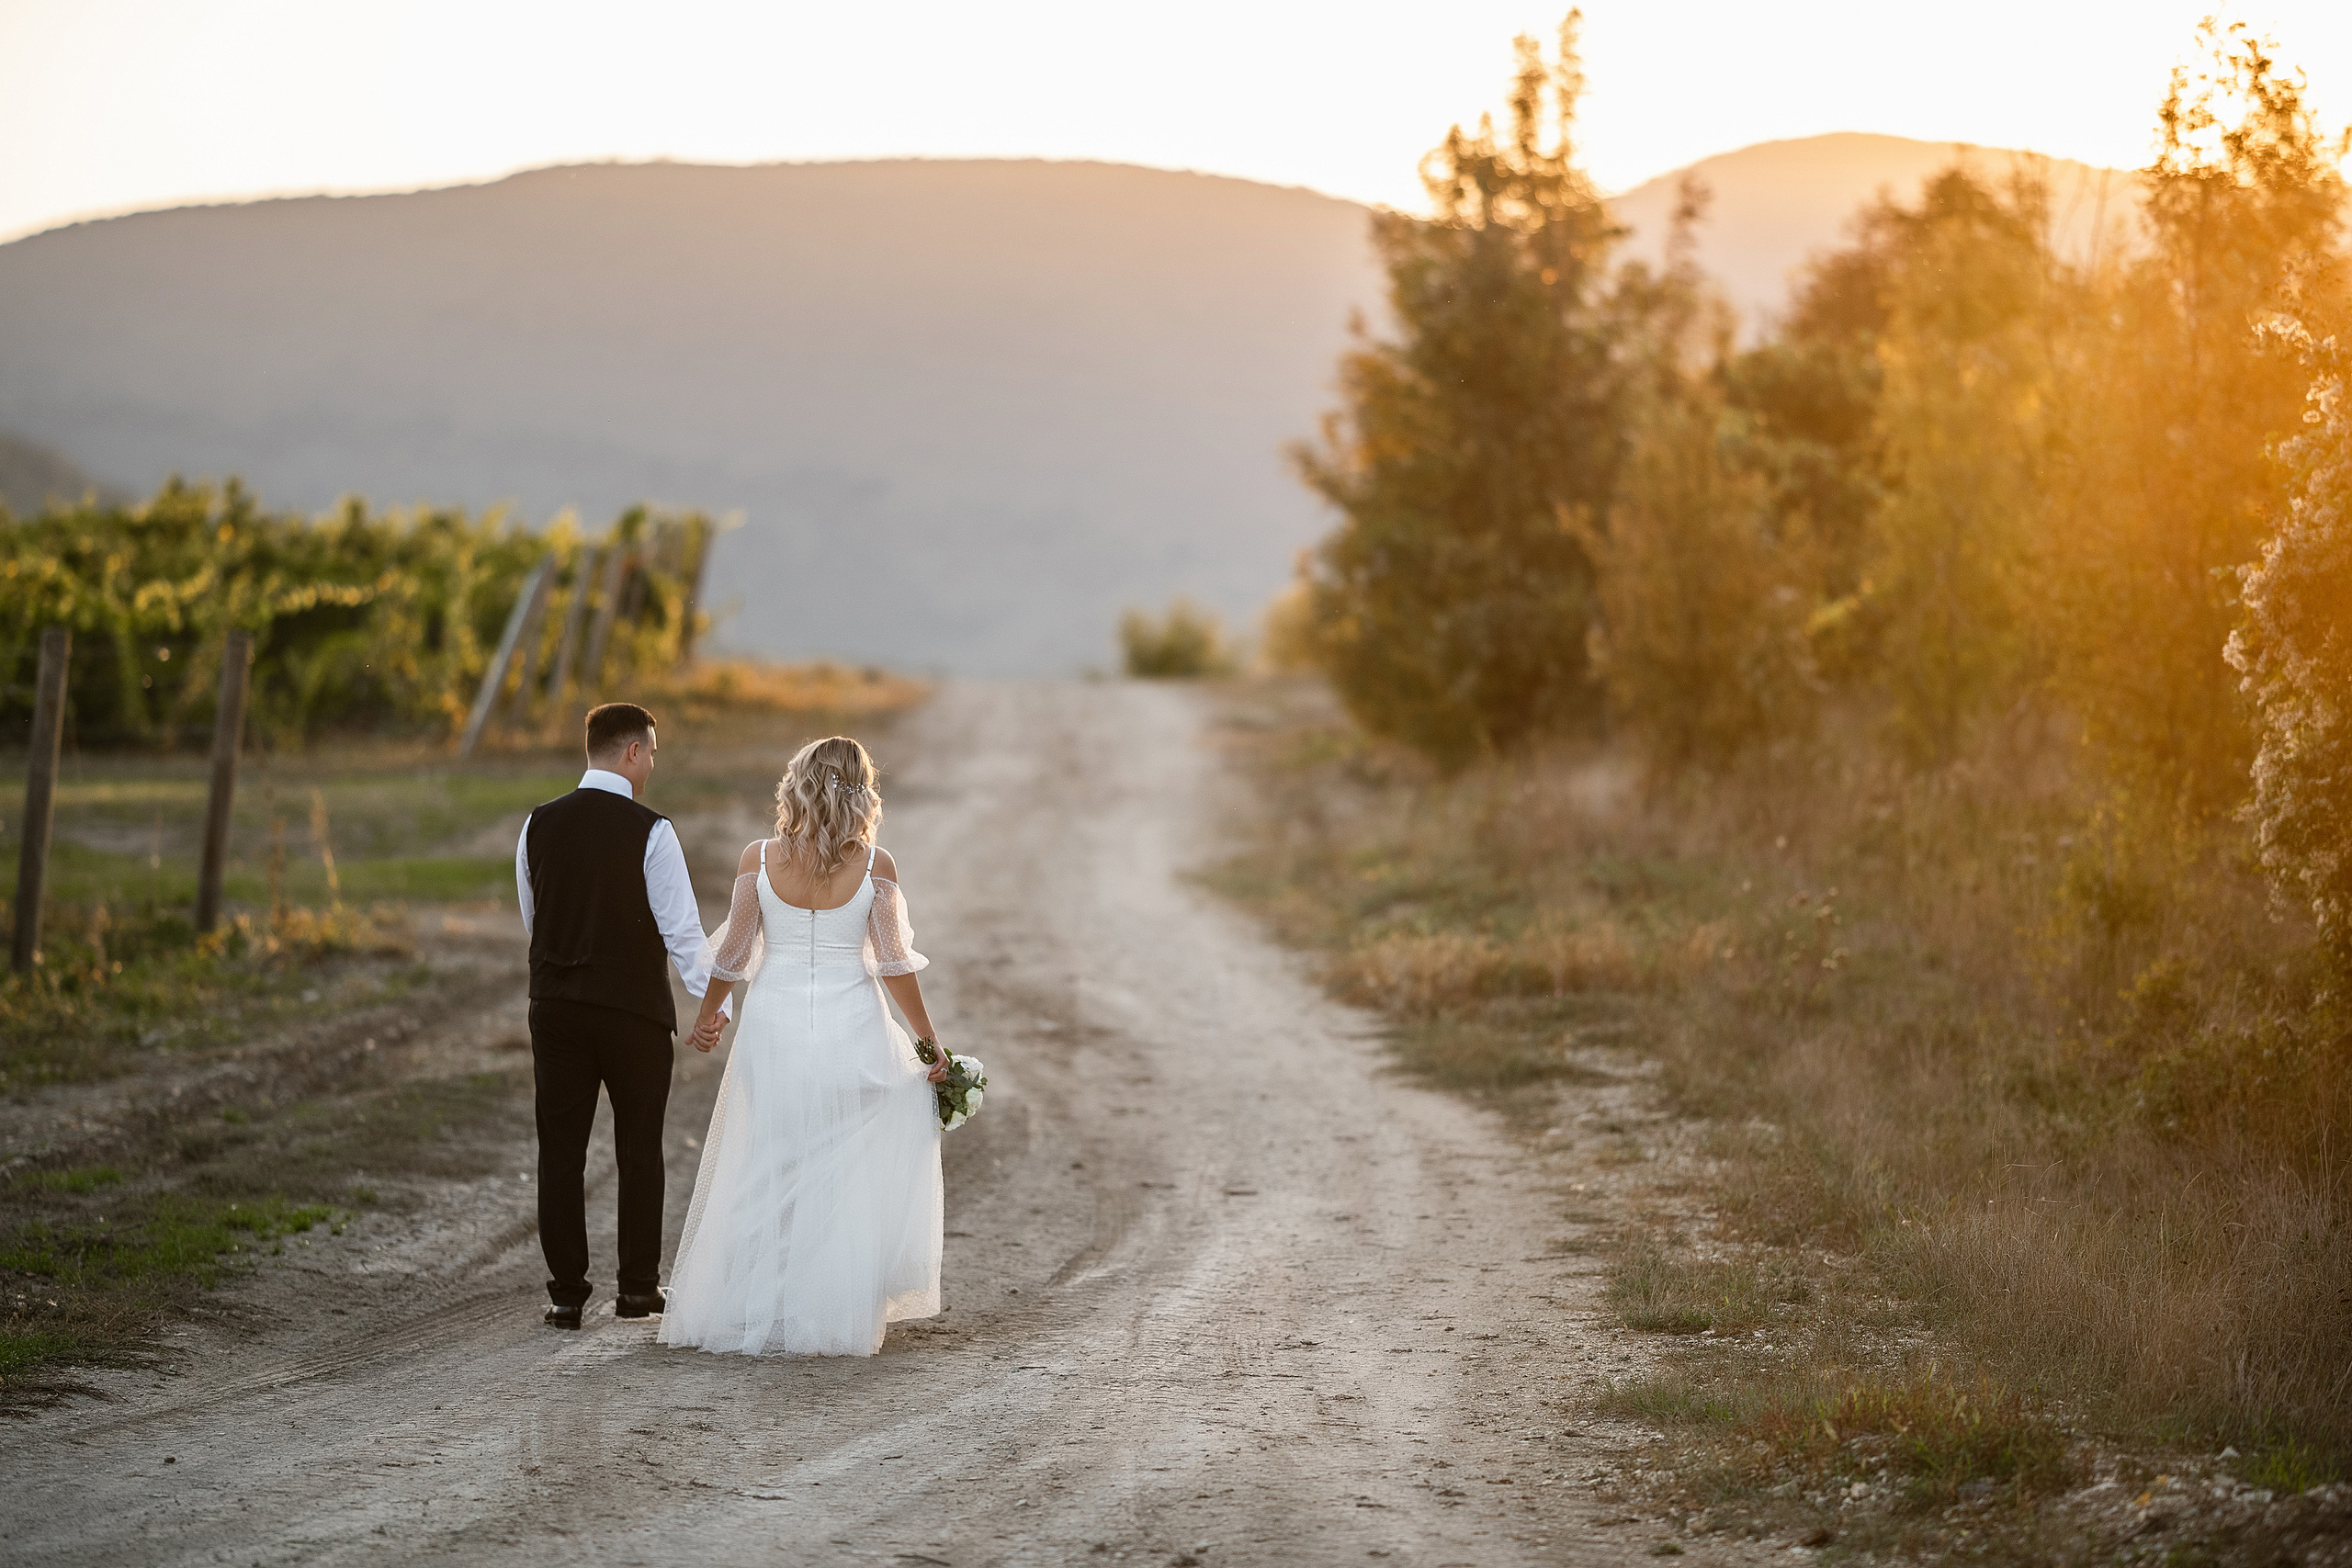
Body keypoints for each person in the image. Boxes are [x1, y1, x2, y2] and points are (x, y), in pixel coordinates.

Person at [660, 735, 948, 1357]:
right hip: (852, 1026)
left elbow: (734, 952)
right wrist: (929, 1043)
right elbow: (894, 964)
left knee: (771, 1158)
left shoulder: (759, 859)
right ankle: (829, 1308)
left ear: (797, 785)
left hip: (774, 1027)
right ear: (862, 792)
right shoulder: (876, 866)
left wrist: (709, 1016)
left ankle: (753, 1303)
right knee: (844, 1163)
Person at [514, 702, 726, 1329]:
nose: (653, 764)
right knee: (638, 1147)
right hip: (632, 1012)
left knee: (560, 1151)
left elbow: (535, 916)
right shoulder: (652, 831)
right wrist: (714, 1006)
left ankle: (565, 1296)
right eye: (652, 752)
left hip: (556, 1009)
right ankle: (636, 1288)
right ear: (632, 751)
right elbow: (683, 932)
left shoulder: (537, 823)